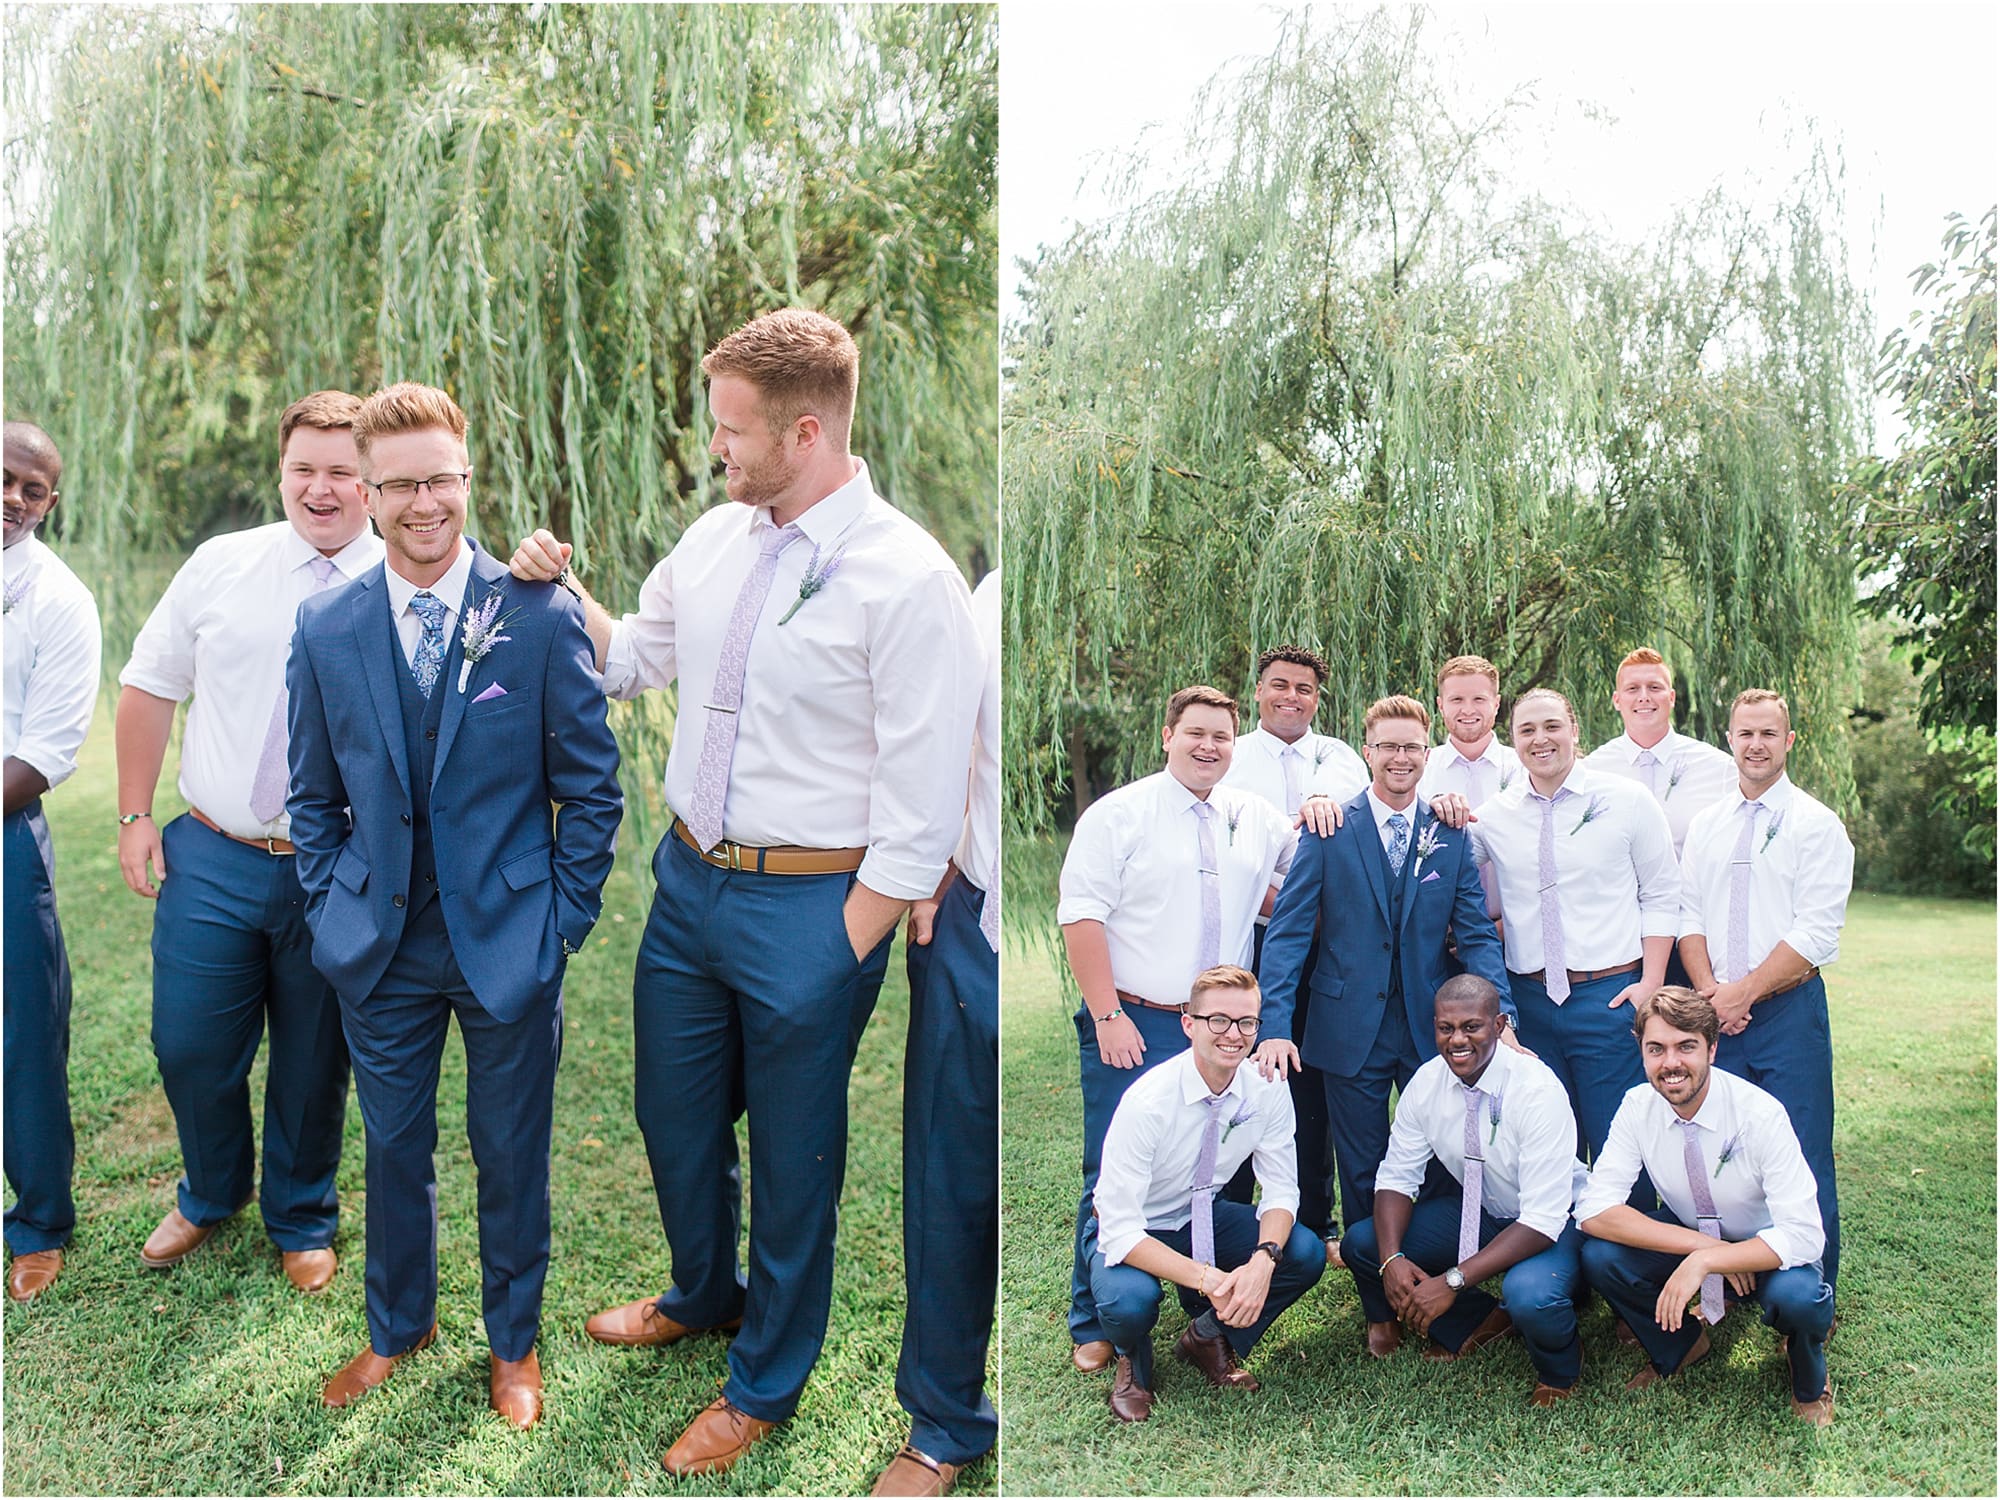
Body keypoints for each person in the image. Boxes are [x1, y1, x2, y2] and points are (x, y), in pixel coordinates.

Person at [508, 308, 981, 1477]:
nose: (713, 446)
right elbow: (628, 662)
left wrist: (842, 942)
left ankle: (763, 1382)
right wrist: (557, 590)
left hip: (812, 910)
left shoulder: (906, 578)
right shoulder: (718, 538)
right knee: (670, 1118)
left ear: (805, 430)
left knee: (792, 1157)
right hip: (687, 887)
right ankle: (700, 1292)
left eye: (729, 429)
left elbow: (922, 803)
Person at [287, 382, 623, 1429]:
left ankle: (512, 1344)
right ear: (368, 494)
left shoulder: (534, 610)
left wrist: (559, 920)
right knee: (393, 1147)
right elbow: (311, 793)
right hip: (376, 943)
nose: (425, 502)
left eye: (443, 479)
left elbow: (591, 784)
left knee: (509, 1149)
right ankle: (398, 1327)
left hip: (509, 938)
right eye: (401, 484)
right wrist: (330, 902)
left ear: (467, 479)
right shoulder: (325, 625)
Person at [115, 391, 380, 1293]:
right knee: (187, 1043)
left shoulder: (411, 583)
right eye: (304, 468)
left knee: (314, 1057)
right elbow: (151, 685)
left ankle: (302, 1212)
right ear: (281, 471)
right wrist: (134, 812)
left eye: (343, 471)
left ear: (373, 480)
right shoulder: (221, 565)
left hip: (336, 867)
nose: (321, 488)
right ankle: (210, 1188)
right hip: (217, 854)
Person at [1056, 685, 1294, 1377]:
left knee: (1230, 1165)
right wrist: (1107, 1014)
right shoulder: (1119, 814)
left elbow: (1294, 881)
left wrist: (1319, 810)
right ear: (1167, 735)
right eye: (1195, 733)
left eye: (1221, 735)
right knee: (1109, 1167)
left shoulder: (1255, 816)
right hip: (1140, 1018)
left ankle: (1214, 1311)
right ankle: (1095, 1317)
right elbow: (1081, 916)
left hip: (1227, 1028)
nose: (1209, 746)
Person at [1256, 695, 1514, 1238]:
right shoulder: (1327, 829)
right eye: (1389, 746)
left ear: (1427, 753)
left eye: (1412, 747)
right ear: (1367, 750)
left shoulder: (1448, 831)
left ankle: (1434, 1267)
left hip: (1433, 1027)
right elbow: (1288, 935)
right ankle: (1377, 1290)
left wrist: (1502, 1018)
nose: (1401, 757)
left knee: (1443, 1161)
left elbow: (1475, 936)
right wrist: (1275, 1026)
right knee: (1362, 1164)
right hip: (1347, 1027)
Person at [872, 568, 1000, 1499]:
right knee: (949, 1176)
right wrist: (928, 866)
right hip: (970, 916)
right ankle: (945, 1420)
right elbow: (938, 736)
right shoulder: (985, 597)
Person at [1576, 987, 1834, 1424]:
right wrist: (1702, 1251)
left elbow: (1805, 1234)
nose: (1670, 1063)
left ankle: (1809, 1380)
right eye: (1656, 1048)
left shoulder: (1759, 1114)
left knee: (1801, 1298)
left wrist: (1716, 1258)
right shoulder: (1638, 1107)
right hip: (1695, 1234)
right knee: (1601, 1256)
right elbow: (1593, 1210)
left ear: (1712, 1049)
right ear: (1641, 1052)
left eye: (1686, 1046)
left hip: (1763, 1248)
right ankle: (1681, 1345)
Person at [1087, 966, 1326, 1423]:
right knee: (1129, 1303)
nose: (1233, 1035)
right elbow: (1118, 1228)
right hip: (1138, 1228)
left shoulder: (1267, 1089)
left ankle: (1209, 1337)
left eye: (1246, 1023)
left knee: (1304, 1252)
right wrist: (1209, 1279)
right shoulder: (1148, 1102)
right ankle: (1133, 1364)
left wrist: (1262, 1260)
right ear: (1189, 1024)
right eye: (1218, 1020)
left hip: (1201, 1216)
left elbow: (1281, 1189)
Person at [1340, 975, 1589, 1405]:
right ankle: (1477, 1322)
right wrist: (1393, 1260)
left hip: (1558, 1223)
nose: (1457, 1040)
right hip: (1487, 1213)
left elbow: (1543, 1220)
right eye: (1445, 1028)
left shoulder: (1536, 1089)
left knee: (1529, 1293)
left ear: (1498, 1025)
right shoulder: (1427, 1083)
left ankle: (1559, 1371)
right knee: (1365, 1243)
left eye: (1471, 1027)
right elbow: (1397, 1177)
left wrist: (1451, 1281)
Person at [1677, 689, 1851, 1293]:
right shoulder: (1707, 824)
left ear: (1789, 741)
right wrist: (1710, 993)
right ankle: (1727, 1275)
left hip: (1787, 1012)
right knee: (1719, 1148)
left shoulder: (1817, 825)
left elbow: (1817, 930)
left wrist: (1743, 993)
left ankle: (1810, 1297)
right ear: (1729, 738)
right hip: (1715, 1013)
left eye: (1768, 734)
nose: (1756, 745)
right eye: (1745, 733)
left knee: (1801, 1151)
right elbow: (1688, 914)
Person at [1469, 688, 1679, 1164]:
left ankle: (1625, 1236)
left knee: (1620, 1142)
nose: (1540, 739)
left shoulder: (1627, 800)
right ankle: (1557, 1235)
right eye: (1527, 730)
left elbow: (1663, 893)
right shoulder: (1495, 816)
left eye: (1551, 727)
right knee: (1547, 1145)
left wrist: (1650, 984)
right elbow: (1444, 868)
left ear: (1574, 732)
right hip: (1528, 1005)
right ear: (1513, 740)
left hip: (1609, 999)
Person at [1217, 644, 1365, 1246]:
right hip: (1250, 937)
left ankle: (1314, 1219)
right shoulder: (1230, 757)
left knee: (1308, 1076)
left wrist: (1319, 921)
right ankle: (1230, 1212)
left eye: (1303, 689)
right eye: (1280, 685)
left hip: (1328, 945)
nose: (1291, 697)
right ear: (1258, 690)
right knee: (1238, 1068)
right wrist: (1287, 912)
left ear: (1317, 698)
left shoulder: (1341, 759)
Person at [3, 421, 102, 1303]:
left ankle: (38, 1221)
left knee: (23, 1035)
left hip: (4, 828)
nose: (13, 498)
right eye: (3, 478)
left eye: (32, 490)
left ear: (50, 503)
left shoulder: (61, 600)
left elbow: (45, 753)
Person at [1585, 647, 1735, 858]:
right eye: (1633, 689)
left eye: (1655, 687)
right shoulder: (1592, 771)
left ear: (1671, 697)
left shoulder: (1719, 769)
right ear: (1617, 700)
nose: (1644, 697)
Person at [1416, 654, 1523, 810]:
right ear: (1441, 705)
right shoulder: (1421, 770)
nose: (1467, 710)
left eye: (1479, 699)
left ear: (1496, 704)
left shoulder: (1523, 768)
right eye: (1457, 699)